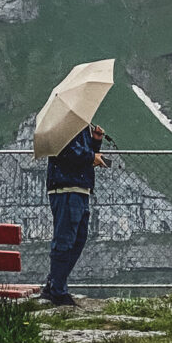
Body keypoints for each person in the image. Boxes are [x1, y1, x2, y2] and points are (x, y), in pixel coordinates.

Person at [38, 122, 107, 306]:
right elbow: (68, 152)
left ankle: (54, 284)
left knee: (78, 239)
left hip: (79, 188)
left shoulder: (80, 125)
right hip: (66, 189)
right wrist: (91, 156)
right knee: (65, 240)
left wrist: (95, 142)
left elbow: (81, 152)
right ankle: (57, 292)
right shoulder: (65, 125)